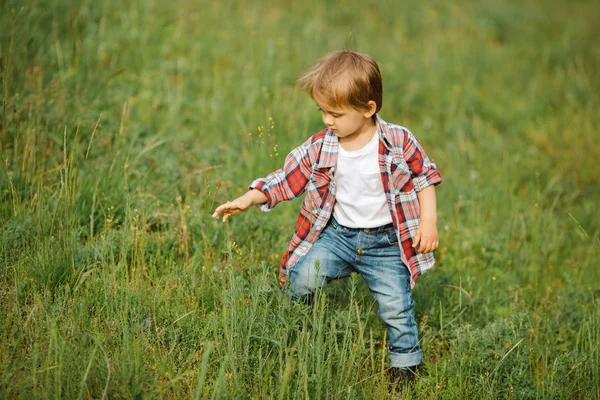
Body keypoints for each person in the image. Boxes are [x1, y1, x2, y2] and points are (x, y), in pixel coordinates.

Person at [212, 50, 442, 388]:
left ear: (368, 110)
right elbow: (286, 178)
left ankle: (405, 366)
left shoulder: (398, 141)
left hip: (386, 243)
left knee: (396, 305)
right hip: (338, 236)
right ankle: (295, 327)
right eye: (322, 111)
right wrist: (249, 198)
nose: (326, 121)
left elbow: (425, 178)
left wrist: (428, 222)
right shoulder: (322, 146)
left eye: (335, 113)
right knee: (302, 276)